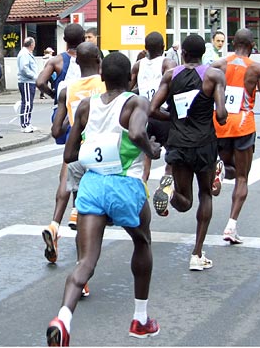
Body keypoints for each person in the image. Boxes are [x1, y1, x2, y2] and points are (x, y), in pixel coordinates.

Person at [46, 52, 162, 346]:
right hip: (125, 186)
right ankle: (140, 318)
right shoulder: (136, 102)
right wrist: (152, 151)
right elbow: (136, 132)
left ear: (102, 76)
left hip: (92, 185)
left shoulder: (86, 106)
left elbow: (69, 154)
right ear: (130, 78)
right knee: (142, 242)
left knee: (86, 260)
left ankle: (63, 317)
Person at [151, 34, 227, 271]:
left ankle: (170, 191)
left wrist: (174, 117)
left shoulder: (170, 76)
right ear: (203, 54)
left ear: (182, 53)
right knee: (206, 194)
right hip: (204, 143)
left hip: (178, 142)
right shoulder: (213, 75)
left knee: (184, 203)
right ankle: (196, 253)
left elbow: (153, 108)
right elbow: (223, 115)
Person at [43, 41, 105, 270]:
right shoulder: (107, 84)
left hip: (79, 151)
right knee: (94, 217)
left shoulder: (67, 89)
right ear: (99, 61)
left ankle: (56, 226)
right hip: (103, 154)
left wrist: (73, 119)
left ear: (76, 63)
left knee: (80, 210)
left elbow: (56, 131)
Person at [211, 28, 260, 244]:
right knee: (242, 176)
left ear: (232, 42)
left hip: (219, 122)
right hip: (243, 124)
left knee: (226, 166)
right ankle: (231, 226)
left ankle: (217, 171)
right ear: (252, 46)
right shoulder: (256, 69)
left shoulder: (219, 64)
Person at [37, 23, 84, 229]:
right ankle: (76, 209)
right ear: (83, 40)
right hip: (86, 112)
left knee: (69, 161)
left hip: (62, 114)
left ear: (64, 40)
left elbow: (39, 82)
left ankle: (62, 218)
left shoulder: (57, 61)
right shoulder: (90, 59)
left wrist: (54, 96)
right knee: (82, 163)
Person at [130, 31, 176, 196]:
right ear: (163, 47)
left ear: (145, 48)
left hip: (144, 116)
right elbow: (174, 82)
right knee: (171, 152)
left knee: (146, 154)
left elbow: (128, 89)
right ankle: (166, 184)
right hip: (162, 113)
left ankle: (142, 185)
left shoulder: (137, 65)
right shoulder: (167, 63)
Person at [17, 36, 38, 132]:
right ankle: (24, 125)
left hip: (29, 82)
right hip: (26, 81)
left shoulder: (27, 53)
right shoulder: (24, 54)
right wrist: (34, 76)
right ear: (31, 44)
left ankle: (27, 123)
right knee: (27, 103)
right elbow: (24, 68)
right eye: (33, 44)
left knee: (29, 103)